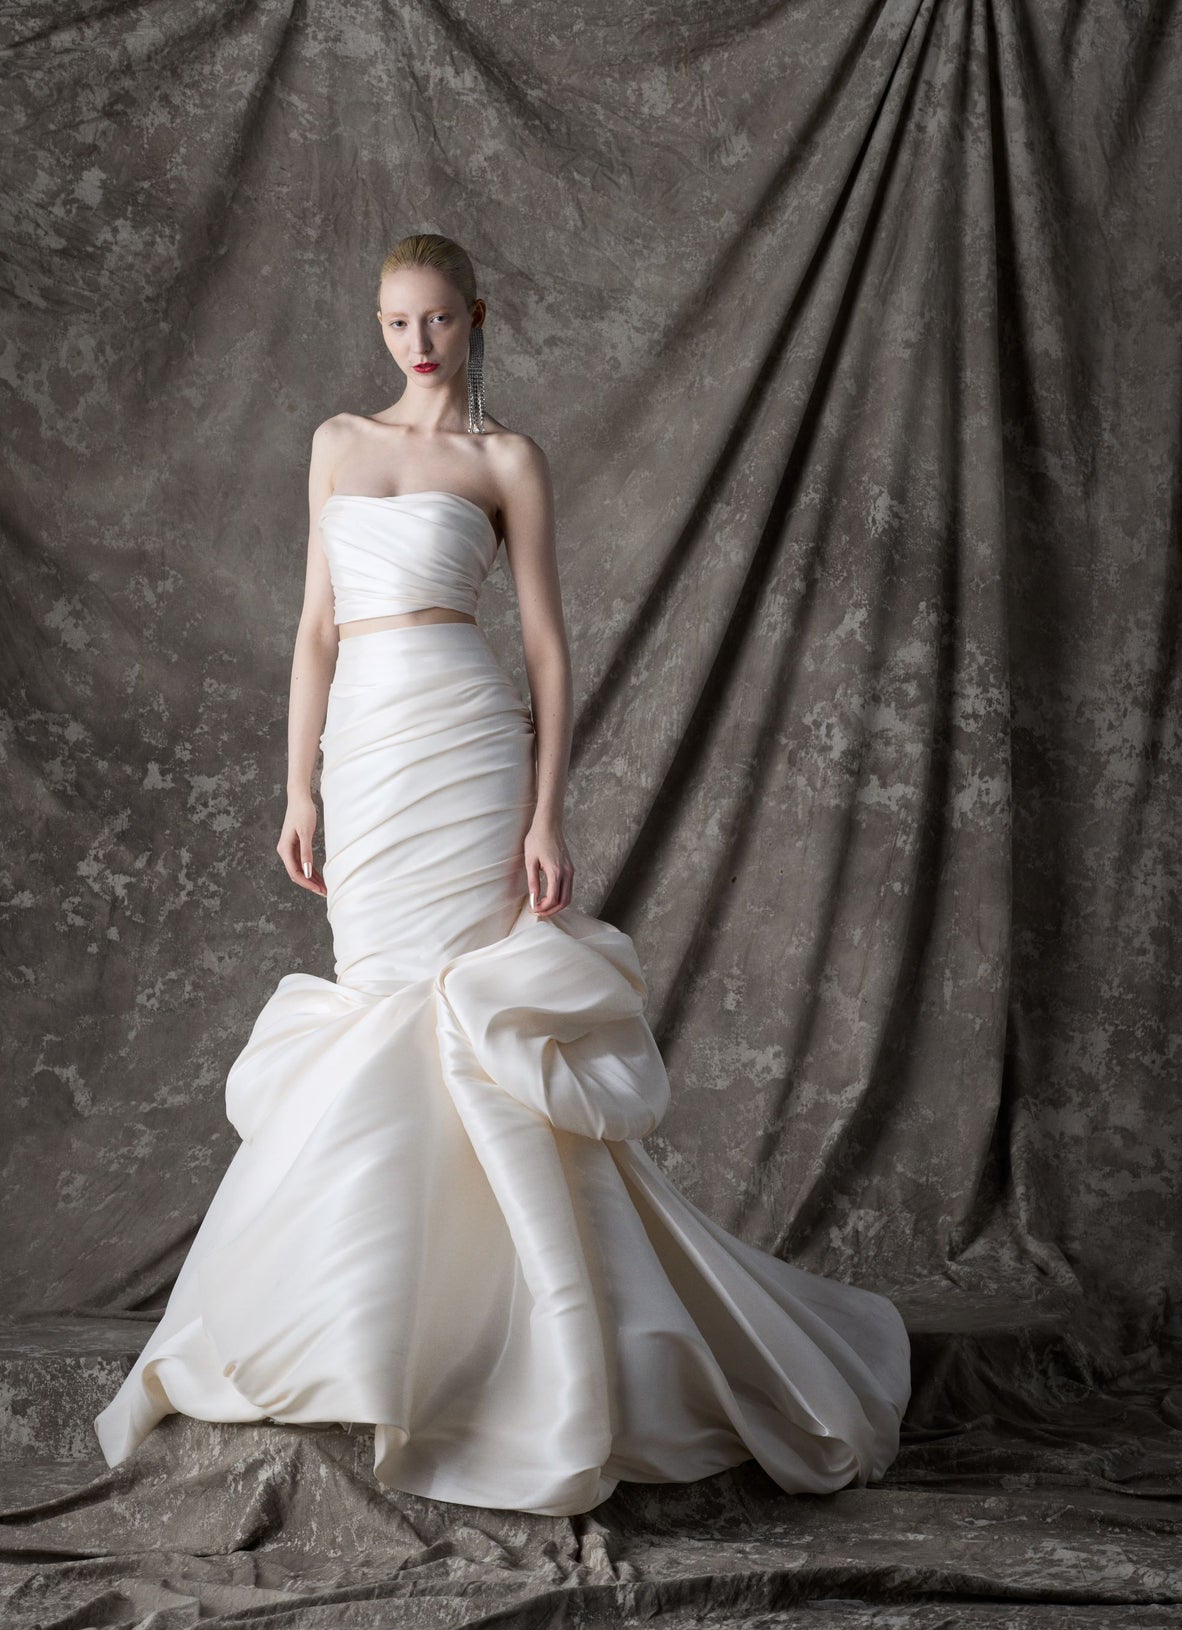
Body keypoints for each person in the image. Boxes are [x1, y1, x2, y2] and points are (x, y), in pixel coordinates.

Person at [94, 232, 912, 1517]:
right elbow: (313, 627)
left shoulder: (505, 460)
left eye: (436, 323)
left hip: (466, 742)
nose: (416, 346)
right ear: (379, 326)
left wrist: (545, 813)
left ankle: (545, 1353)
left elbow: (543, 643)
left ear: (476, 318)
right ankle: (374, 1327)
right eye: (394, 325)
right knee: (378, 1006)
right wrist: (298, 782)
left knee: (474, 1016)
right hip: (367, 745)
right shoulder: (335, 444)